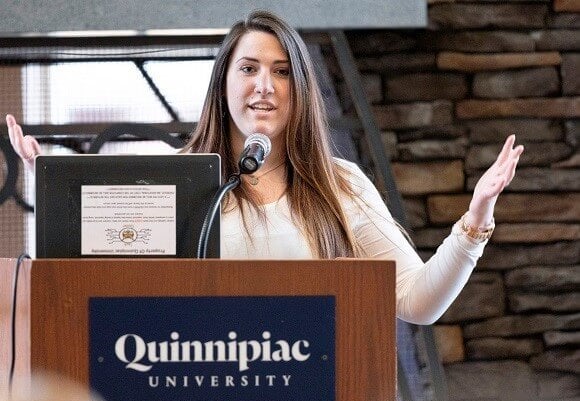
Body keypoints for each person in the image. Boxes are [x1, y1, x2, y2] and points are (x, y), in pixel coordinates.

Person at [5, 10, 523, 325]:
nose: (264, 86)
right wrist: (56, 190)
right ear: (223, 82)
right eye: (248, 68)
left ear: (300, 88)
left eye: (281, 72)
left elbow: (417, 301)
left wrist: (475, 219)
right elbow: (102, 280)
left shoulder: (339, 185)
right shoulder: (178, 184)